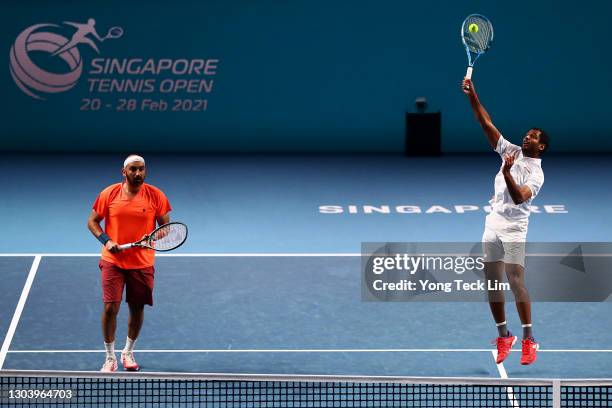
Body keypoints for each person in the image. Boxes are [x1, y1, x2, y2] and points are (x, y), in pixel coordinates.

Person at [462, 78, 549, 366]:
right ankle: (504, 336)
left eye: (533, 136)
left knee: (515, 280)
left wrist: (508, 172)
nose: (527, 137)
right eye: (526, 134)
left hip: (514, 229)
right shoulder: (510, 151)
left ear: (542, 146)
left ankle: (529, 339)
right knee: (492, 283)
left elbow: (519, 198)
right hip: (493, 224)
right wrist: (473, 95)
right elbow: (485, 122)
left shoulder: (537, 174)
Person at [87, 155, 171, 372]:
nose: (138, 174)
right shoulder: (110, 193)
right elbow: (92, 221)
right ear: (123, 172)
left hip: (142, 263)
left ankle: (128, 352)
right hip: (113, 260)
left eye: (141, 169)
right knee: (110, 307)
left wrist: (151, 239)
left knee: (137, 308)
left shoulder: (156, 195)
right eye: (133, 169)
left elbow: (166, 227)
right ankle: (109, 357)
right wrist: (107, 241)